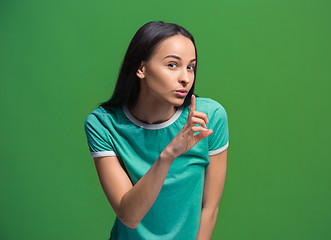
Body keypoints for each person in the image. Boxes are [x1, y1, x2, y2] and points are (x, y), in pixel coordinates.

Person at [84, 21, 229, 240]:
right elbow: (129, 216)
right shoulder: (104, 124)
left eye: (190, 66)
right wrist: (168, 155)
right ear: (141, 68)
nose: (186, 78)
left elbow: (209, 208)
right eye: (173, 65)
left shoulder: (208, 117)